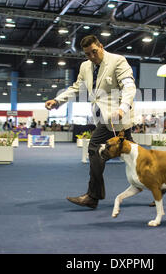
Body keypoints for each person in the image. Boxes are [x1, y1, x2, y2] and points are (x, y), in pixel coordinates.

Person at [45, 35, 136, 209]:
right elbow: (76, 87)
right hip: (101, 116)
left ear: (101, 46)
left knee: (94, 148)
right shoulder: (85, 66)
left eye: (94, 51)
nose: (92, 57)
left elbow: (129, 86)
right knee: (135, 156)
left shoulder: (118, 61)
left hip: (116, 116)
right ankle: (160, 184)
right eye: (88, 54)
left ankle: (93, 196)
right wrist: (57, 101)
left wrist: (122, 109)